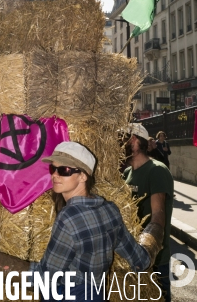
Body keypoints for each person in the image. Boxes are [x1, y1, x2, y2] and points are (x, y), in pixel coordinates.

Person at [30, 141, 155, 302]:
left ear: (83, 175)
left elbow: (47, 277)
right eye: (53, 168)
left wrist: (5, 270)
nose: (55, 175)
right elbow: (139, 260)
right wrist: (152, 241)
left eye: (64, 170)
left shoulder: (69, 217)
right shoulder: (109, 209)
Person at [123, 123, 174, 302]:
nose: (118, 144)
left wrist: (144, 254)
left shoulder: (157, 170)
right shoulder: (127, 173)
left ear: (134, 141)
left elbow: (158, 217)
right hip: (130, 259)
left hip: (154, 261)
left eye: (123, 139)